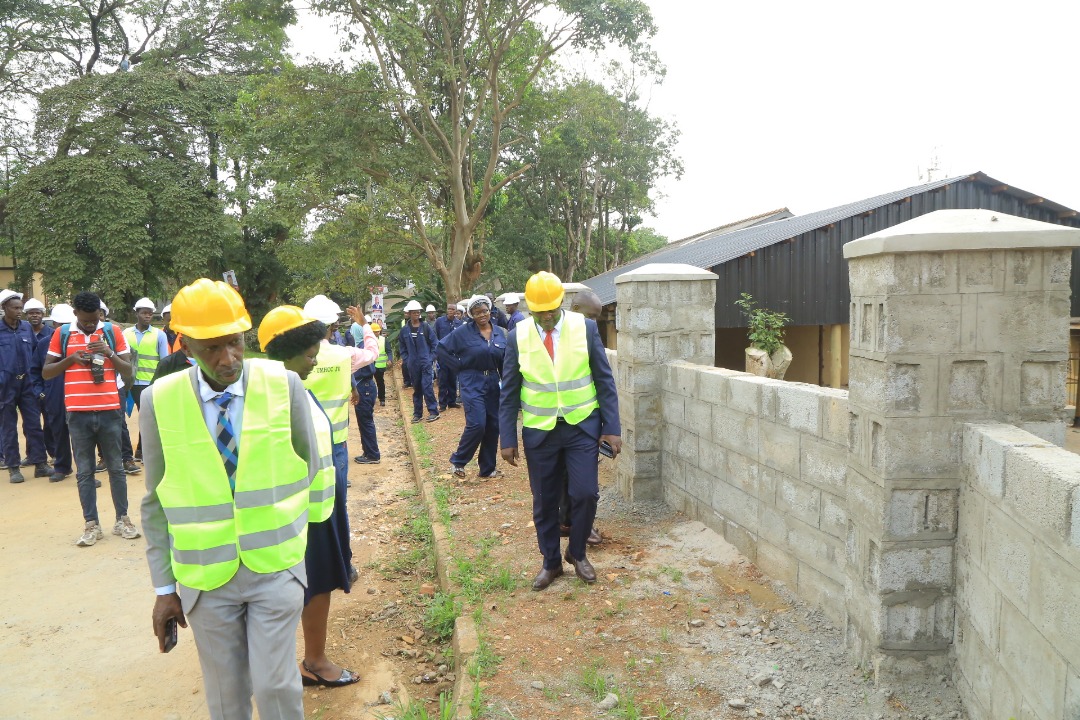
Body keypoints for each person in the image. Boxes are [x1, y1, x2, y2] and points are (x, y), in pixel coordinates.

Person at [139, 279, 320, 720]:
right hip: (205, 578)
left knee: (276, 686)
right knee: (226, 697)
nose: (227, 359)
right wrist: (165, 589)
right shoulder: (157, 401)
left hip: (274, 567)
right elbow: (155, 502)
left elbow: (310, 469)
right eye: (212, 348)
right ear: (187, 347)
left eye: (234, 343)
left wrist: (298, 555)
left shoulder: (284, 386)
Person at [499, 272, 621, 591]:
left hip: (581, 425)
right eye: (540, 312)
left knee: (585, 493)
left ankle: (577, 552)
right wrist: (508, 437)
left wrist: (612, 427)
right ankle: (551, 562)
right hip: (540, 431)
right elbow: (510, 390)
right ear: (530, 308)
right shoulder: (518, 336)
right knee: (544, 500)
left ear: (561, 303)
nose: (547, 316)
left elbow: (604, 380)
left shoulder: (586, 328)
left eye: (551, 310)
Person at [259, 306, 360, 689]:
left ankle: (308, 659)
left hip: (318, 508)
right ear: (287, 352)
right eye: (309, 353)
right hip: (299, 515)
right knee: (310, 585)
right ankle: (312, 662)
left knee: (317, 583)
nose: (315, 359)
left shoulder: (295, 387)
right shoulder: (275, 396)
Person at [42, 292, 140, 543]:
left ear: (100, 314)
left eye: (95, 320)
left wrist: (109, 352)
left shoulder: (112, 332)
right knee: (84, 471)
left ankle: (122, 520)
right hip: (78, 413)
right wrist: (71, 359)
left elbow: (128, 370)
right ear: (75, 314)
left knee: (116, 468)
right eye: (86, 321)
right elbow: (46, 372)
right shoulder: (62, 334)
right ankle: (91, 524)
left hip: (109, 410)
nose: (90, 325)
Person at [437, 295, 506, 479]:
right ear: (471, 315)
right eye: (477, 313)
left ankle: (487, 468)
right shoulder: (463, 332)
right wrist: (458, 366)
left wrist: (506, 384)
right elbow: (441, 349)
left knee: (493, 425)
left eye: (484, 311)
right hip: (471, 380)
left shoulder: (500, 332)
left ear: (490, 311)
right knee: (477, 424)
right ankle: (458, 461)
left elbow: (504, 360)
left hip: (493, 381)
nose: (482, 315)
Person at [560, 289, 606, 546]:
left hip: (585, 423)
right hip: (554, 423)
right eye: (591, 316)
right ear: (575, 309)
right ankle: (569, 523)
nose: (595, 323)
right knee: (563, 481)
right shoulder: (553, 338)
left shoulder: (588, 335)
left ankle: (580, 525)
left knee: (584, 485)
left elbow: (603, 381)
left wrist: (607, 425)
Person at [1, 290, 49, 482]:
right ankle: (13, 467)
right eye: (15, 308)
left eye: (21, 307)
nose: (19, 311)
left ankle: (40, 464)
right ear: (4, 308)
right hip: (5, 385)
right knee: (8, 426)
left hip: (28, 383)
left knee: (33, 424)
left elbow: (35, 354)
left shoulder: (26, 328)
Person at [31, 304, 74, 483]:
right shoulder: (43, 344)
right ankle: (62, 467)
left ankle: (86, 471)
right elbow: (35, 371)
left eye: (68, 324)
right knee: (58, 430)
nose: (64, 328)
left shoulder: (79, 342)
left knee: (81, 433)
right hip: (54, 394)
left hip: (76, 393)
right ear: (54, 324)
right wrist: (41, 393)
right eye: (60, 324)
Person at [124, 297, 170, 461]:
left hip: (149, 383)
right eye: (144, 313)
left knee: (146, 417)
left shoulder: (159, 335)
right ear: (136, 313)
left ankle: (141, 451)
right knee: (129, 418)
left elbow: (164, 361)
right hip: (129, 383)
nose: (147, 316)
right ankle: (133, 453)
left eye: (150, 313)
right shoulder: (126, 334)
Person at [398, 299, 440, 423]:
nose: (416, 314)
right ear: (409, 314)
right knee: (417, 388)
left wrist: (430, 358)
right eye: (414, 313)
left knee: (427, 387)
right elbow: (402, 347)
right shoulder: (405, 330)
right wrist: (407, 359)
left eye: (418, 312)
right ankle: (417, 414)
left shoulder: (426, 327)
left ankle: (433, 411)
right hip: (413, 364)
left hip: (425, 363)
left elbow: (435, 344)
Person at [25, 298, 55, 465]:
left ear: (43, 314)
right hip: (26, 385)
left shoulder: (51, 334)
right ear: (26, 315)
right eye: (31, 313)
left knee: (50, 420)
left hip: (45, 384)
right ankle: (32, 454)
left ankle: (54, 453)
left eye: (37, 312)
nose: (34, 315)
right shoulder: (22, 331)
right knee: (30, 423)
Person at [434, 303, 462, 411]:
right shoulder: (440, 321)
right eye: (449, 309)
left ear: (456, 311)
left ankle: (452, 401)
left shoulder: (459, 324)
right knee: (442, 380)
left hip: (453, 356)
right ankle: (442, 403)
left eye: (453, 309)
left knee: (452, 379)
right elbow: (435, 336)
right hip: (442, 355)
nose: (451, 311)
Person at [370, 323, 391, 406]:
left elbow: (388, 351)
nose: (376, 333)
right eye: (374, 332)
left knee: (380, 382)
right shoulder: (366, 340)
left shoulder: (384, 340)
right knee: (370, 383)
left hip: (380, 366)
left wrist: (389, 359)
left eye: (377, 332)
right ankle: (371, 399)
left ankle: (382, 399)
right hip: (370, 365)